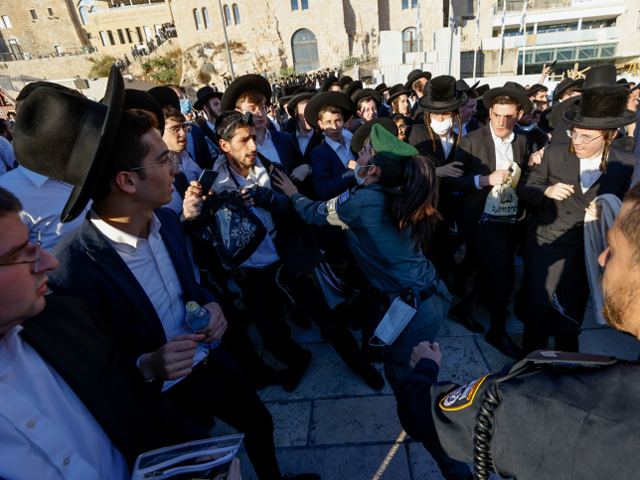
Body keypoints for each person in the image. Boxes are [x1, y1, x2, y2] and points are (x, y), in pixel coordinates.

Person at [43, 98, 316, 478]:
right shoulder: (71, 270)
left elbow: (190, 286)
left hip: (212, 363)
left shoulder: (168, 223)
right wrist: (149, 365)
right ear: (127, 180)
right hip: (161, 401)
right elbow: (91, 371)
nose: (176, 165)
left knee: (259, 423)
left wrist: (212, 305)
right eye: (162, 159)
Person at [398, 180, 640, 480]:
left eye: (612, 249)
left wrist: (424, 369)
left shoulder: (545, 402)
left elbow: (423, 412)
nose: (602, 258)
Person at [0, 186, 215, 479]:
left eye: (33, 244)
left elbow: (135, 401)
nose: (48, 262)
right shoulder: (74, 265)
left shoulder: (64, 319)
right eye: (19, 255)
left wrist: (198, 454)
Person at [184, 110, 383, 392]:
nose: (253, 146)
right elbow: (203, 231)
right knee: (272, 337)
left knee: (330, 322)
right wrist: (193, 212)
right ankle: (300, 360)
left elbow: (299, 209)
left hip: (289, 263)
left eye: (253, 138)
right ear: (224, 145)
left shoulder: (272, 169)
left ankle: (360, 364)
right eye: (244, 140)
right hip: (250, 273)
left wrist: (268, 200)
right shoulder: (214, 183)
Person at [516, 86, 636, 354]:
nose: (577, 141)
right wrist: (546, 191)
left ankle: (567, 356)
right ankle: (531, 356)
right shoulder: (554, 153)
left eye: (587, 137)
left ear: (611, 136)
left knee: (573, 306)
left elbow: (624, 200)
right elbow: (524, 187)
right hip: (548, 243)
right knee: (539, 304)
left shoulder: (625, 161)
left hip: (587, 249)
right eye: (575, 134)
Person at [443, 81, 534, 359]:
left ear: (518, 114)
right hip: (482, 220)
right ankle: (497, 331)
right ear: (489, 112)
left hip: (510, 219)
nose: (502, 121)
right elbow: (449, 180)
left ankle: (463, 310)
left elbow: (527, 176)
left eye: (509, 116)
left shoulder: (522, 140)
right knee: (504, 278)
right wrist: (483, 179)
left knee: (491, 274)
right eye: (497, 114)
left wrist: (537, 160)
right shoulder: (471, 141)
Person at [304, 92, 357, 200]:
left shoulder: (353, 143)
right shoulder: (320, 152)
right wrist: (351, 172)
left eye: (337, 121)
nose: (334, 127)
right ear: (321, 124)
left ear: (343, 120)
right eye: (328, 122)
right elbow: (322, 190)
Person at [193, 85, 223, 158]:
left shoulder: (228, 126)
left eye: (220, 104)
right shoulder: (200, 133)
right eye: (216, 104)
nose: (220, 107)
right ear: (206, 108)